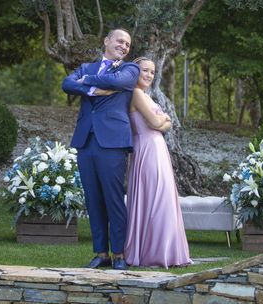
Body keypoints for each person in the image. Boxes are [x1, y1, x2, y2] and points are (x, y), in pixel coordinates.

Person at [62, 29, 140, 270]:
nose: (124, 46)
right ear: (106, 41)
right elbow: (66, 84)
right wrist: (92, 87)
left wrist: (87, 82)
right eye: (120, 41)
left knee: (114, 199)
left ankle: (119, 254)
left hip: (113, 141)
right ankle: (101, 253)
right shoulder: (87, 66)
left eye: (127, 44)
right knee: (93, 199)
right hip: (86, 141)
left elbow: (118, 82)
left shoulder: (130, 69)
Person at [124, 57, 191, 268]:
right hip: (147, 149)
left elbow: (169, 122)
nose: (149, 75)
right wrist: (163, 120)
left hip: (157, 149)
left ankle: (168, 252)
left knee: (163, 198)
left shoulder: (146, 96)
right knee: (154, 198)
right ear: (135, 72)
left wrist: (164, 121)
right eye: (145, 70)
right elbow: (157, 122)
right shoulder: (135, 93)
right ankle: (152, 253)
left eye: (152, 72)